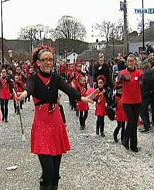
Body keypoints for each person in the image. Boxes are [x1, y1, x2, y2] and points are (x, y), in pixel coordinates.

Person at [16, 45, 97, 190]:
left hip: (56, 123)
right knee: (48, 171)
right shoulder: (33, 78)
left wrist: (84, 98)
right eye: (45, 59)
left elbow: (70, 90)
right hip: (41, 124)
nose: (48, 62)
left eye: (50, 59)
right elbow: (28, 89)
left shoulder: (56, 78)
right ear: (38, 62)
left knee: (56, 172)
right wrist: (22, 95)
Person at [119, 54, 143, 152]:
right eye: (128, 61)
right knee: (131, 120)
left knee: (134, 123)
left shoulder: (139, 72)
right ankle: (125, 140)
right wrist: (124, 78)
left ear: (135, 62)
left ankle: (134, 145)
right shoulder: (124, 72)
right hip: (127, 101)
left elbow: (143, 77)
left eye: (132, 61)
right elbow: (120, 77)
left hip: (137, 100)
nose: (130, 63)